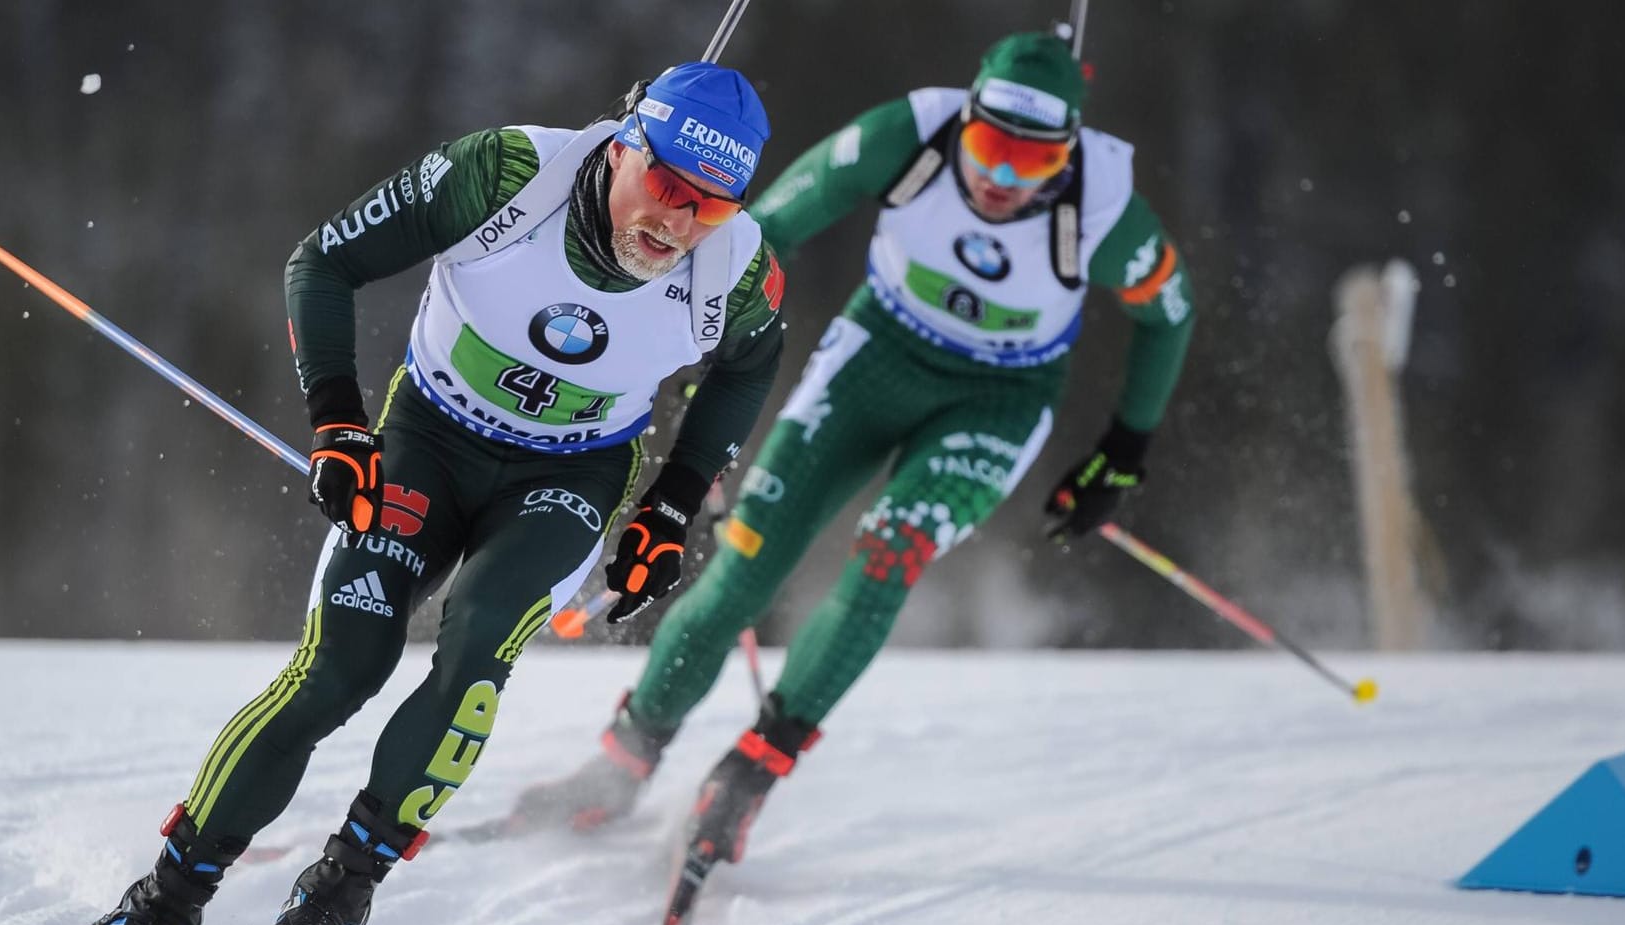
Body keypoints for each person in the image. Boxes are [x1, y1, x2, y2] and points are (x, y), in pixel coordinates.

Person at [71, 62, 786, 925]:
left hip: (569, 475)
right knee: (341, 667)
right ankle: (165, 902)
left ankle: (341, 890)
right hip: (429, 441)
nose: (676, 224)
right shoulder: (502, 178)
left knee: (482, 633)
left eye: (709, 208)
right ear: (624, 146)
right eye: (663, 187)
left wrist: (670, 503)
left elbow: (746, 369)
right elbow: (322, 261)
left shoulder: (737, 272)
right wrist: (336, 422)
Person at [506, 33, 1196, 871]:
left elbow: (1168, 313)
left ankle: (751, 773)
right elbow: (772, 231)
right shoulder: (909, 134)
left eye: (1030, 163)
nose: (1000, 180)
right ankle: (623, 759)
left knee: (889, 551)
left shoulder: (1106, 201)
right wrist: (701, 340)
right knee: (746, 562)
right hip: (877, 356)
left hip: (1001, 398)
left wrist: (1123, 449)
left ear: (1069, 154)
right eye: (988, 149)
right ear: (966, 122)